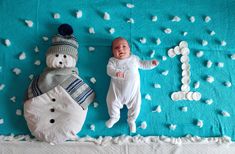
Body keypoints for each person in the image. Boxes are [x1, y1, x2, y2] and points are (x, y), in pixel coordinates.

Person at [106, 37, 159, 133]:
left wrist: (152, 63)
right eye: (116, 48)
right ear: (113, 52)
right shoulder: (113, 61)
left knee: (137, 105)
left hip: (132, 93)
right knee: (111, 101)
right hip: (116, 91)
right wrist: (115, 72)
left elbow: (143, 64)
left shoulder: (134, 59)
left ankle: (131, 120)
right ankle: (114, 117)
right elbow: (109, 70)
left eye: (124, 46)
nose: (120, 49)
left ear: (129, 49)